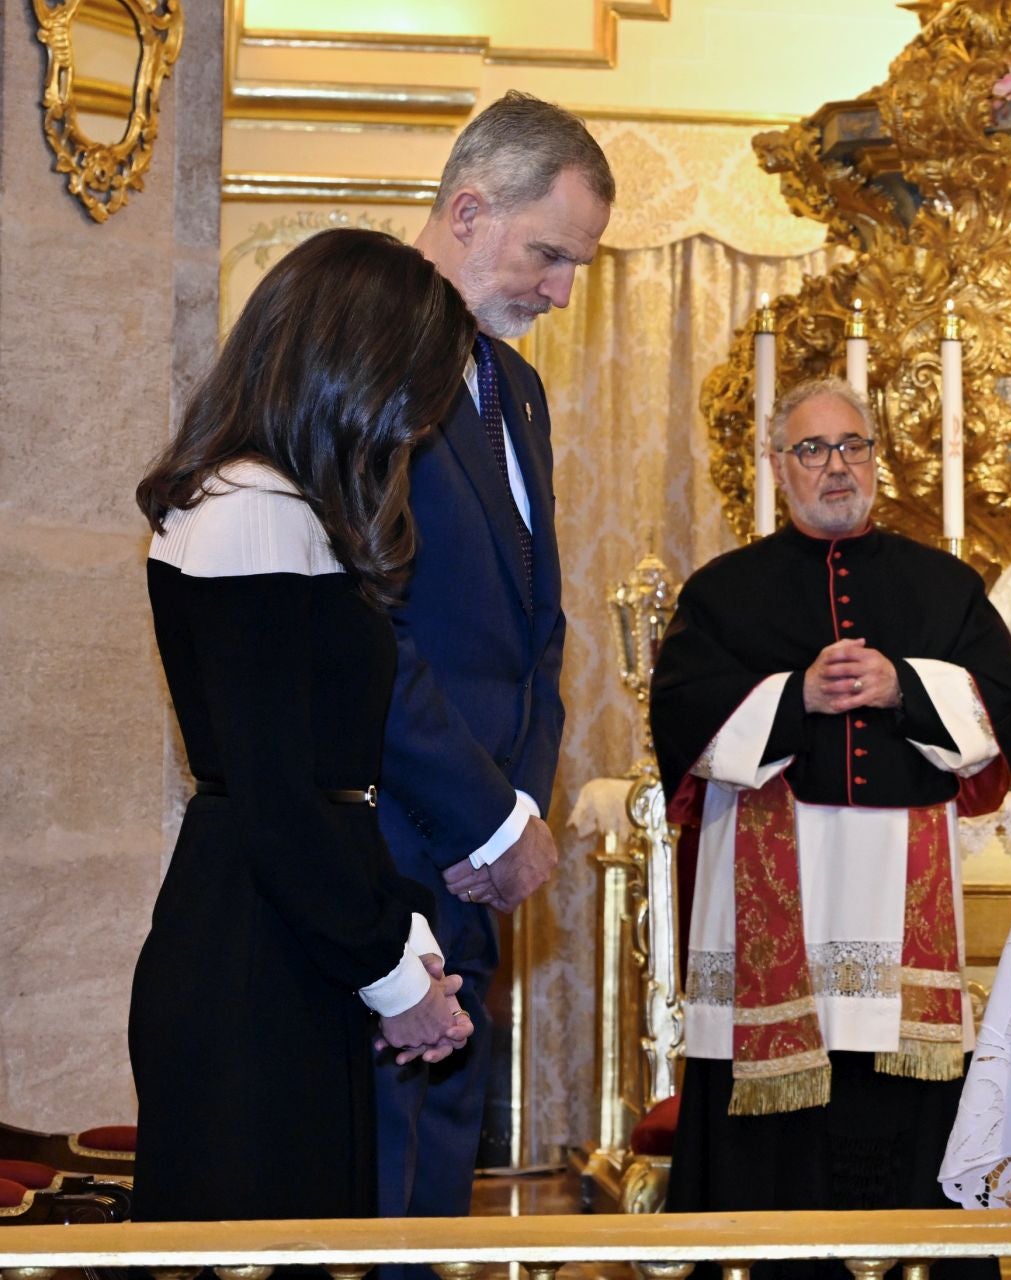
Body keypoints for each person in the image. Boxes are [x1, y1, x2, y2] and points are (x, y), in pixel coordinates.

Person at [130, 228, 477, 1222]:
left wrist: (400, 941)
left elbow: (335, 780)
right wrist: (390, 977)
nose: (419, 419)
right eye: (414, 386)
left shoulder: (280, 506)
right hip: (250, 951)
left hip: (284, 935)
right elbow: (277, 796)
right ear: (350, 359)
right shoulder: (253, 506)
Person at [651, 378, 1011, 1280]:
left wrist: (907, 683)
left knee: (896, 1099)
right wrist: (796, 695)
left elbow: (1001, 705)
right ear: (779, 468)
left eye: (851, 446)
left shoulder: (943, 586)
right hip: (773, 896)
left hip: (898, 899)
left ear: (875, 459)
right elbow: (681, 718)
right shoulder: (722, 591)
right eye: (813, 450)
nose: (835, 467)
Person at [375, 91, 612, 1226]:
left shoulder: (512, 385)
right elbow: (375, 624)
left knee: (434, 1190)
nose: (562, 291)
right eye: (549, 254)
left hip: (477, 859)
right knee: (372, 1191)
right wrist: (480, 817)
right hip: (387, 846)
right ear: (469, 209)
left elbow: (536, 631)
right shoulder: (369, 349)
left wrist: (521, 810)